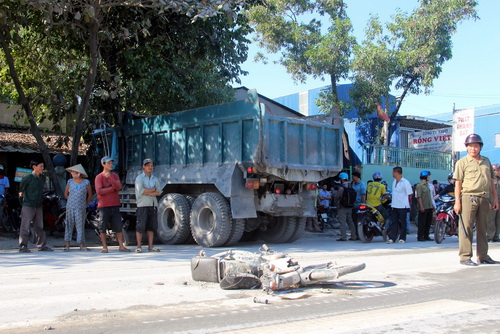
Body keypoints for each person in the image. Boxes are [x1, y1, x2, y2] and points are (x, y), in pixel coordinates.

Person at [453, 134, 499, 266]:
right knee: (466, 227)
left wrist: (494, 198)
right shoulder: (462, 163)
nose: (473, 148)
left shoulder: (486, 161)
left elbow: (491, 181)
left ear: (480, 147)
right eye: (471, 146)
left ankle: (483, 256)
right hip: (468, 197)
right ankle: (465, 256)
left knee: (483, 227)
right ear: (467, 148)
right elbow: (458, 183)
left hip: (484, 198)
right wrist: (457, 201)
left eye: (476, 146)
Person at [95, 156, 130, 253]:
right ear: (103, 164)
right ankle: (105, 246)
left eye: (111, 163)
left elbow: (118, 187)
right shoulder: (99, 177)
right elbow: (99, 191)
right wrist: (111, 189)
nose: (111, 165)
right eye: (108, 163)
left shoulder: (114, 176)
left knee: (118, 225)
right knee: (103, 226)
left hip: (114, 204)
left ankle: (121, 246)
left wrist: (110, 178)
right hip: (104, 205)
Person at [18, 160, 53, 253]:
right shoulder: (27, 178)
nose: (42, 168)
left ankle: (41, 245)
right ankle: (23, 246)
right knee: (25, 226)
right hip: (28, 205)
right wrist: (24, 203)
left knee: (39, 226)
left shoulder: (42, 178)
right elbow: (20, 192)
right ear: (34, 167)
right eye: (40, 166)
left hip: (38, 205)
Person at [134, 158, 161, 252]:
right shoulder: (139, 178)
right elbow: (141, 191)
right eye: (148, 165)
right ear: (143, 167)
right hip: (142, 205)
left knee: (151, 226)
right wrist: (152, 189)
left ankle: (150, 246)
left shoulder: (155, 178)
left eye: (151, 165)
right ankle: (138, 246)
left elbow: (159, 192)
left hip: (153, 204)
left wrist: (148, 191)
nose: (150, 167)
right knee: (140, 226)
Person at [63, 164, 92, 251]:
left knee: (80, 225)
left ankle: (81, 245)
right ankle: (67, 245)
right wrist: (71, 200)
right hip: (70, 207)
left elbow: (90, 194)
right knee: (69, 224)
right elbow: (65, 193)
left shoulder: (86, 182)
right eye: (72, 172)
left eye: (74, 172)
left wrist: (86, 203)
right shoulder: (69, 182)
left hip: (81, 207)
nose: (72, 174)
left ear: (79, 173)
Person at [387, 166, 413, 244]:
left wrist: (409, 204)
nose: (392, 174)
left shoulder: (405, 182)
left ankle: (402, 238)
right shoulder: (394, 181)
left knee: (403, 223)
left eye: (393, 172)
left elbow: (410, 194)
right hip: (394, 205)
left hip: (403, 206)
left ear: (397, 173)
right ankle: (392, 238)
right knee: (393, 222)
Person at [336, 172, 357, 241]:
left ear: (341, 179)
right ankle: (354, 236)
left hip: (342, 207)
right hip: (349, 207)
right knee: (350, 222)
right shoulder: (351, 186)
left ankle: (343, 237)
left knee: (343, 222)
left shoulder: (341, 188)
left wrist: (333, 192)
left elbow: (337, 196)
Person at [415, 171, 434, 241]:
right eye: (428, 176)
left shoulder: (427, 185)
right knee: (422, 223)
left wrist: (432, 205)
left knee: (428, 222)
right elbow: (418, 197)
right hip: (424, 207)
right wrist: (421, 206)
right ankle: (420, 236)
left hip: (429, 206)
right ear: (425, 177)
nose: (429, 177)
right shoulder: (419, 186)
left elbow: (429, 197)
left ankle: (426, 235)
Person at [488, 164, 500, 242]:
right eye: (497, 170)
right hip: (492, 202)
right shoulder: (489, 180)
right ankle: (489, 236)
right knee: (490, 220)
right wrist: (488, 202)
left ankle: (496, 236)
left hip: (499, 202)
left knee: (498, 220)